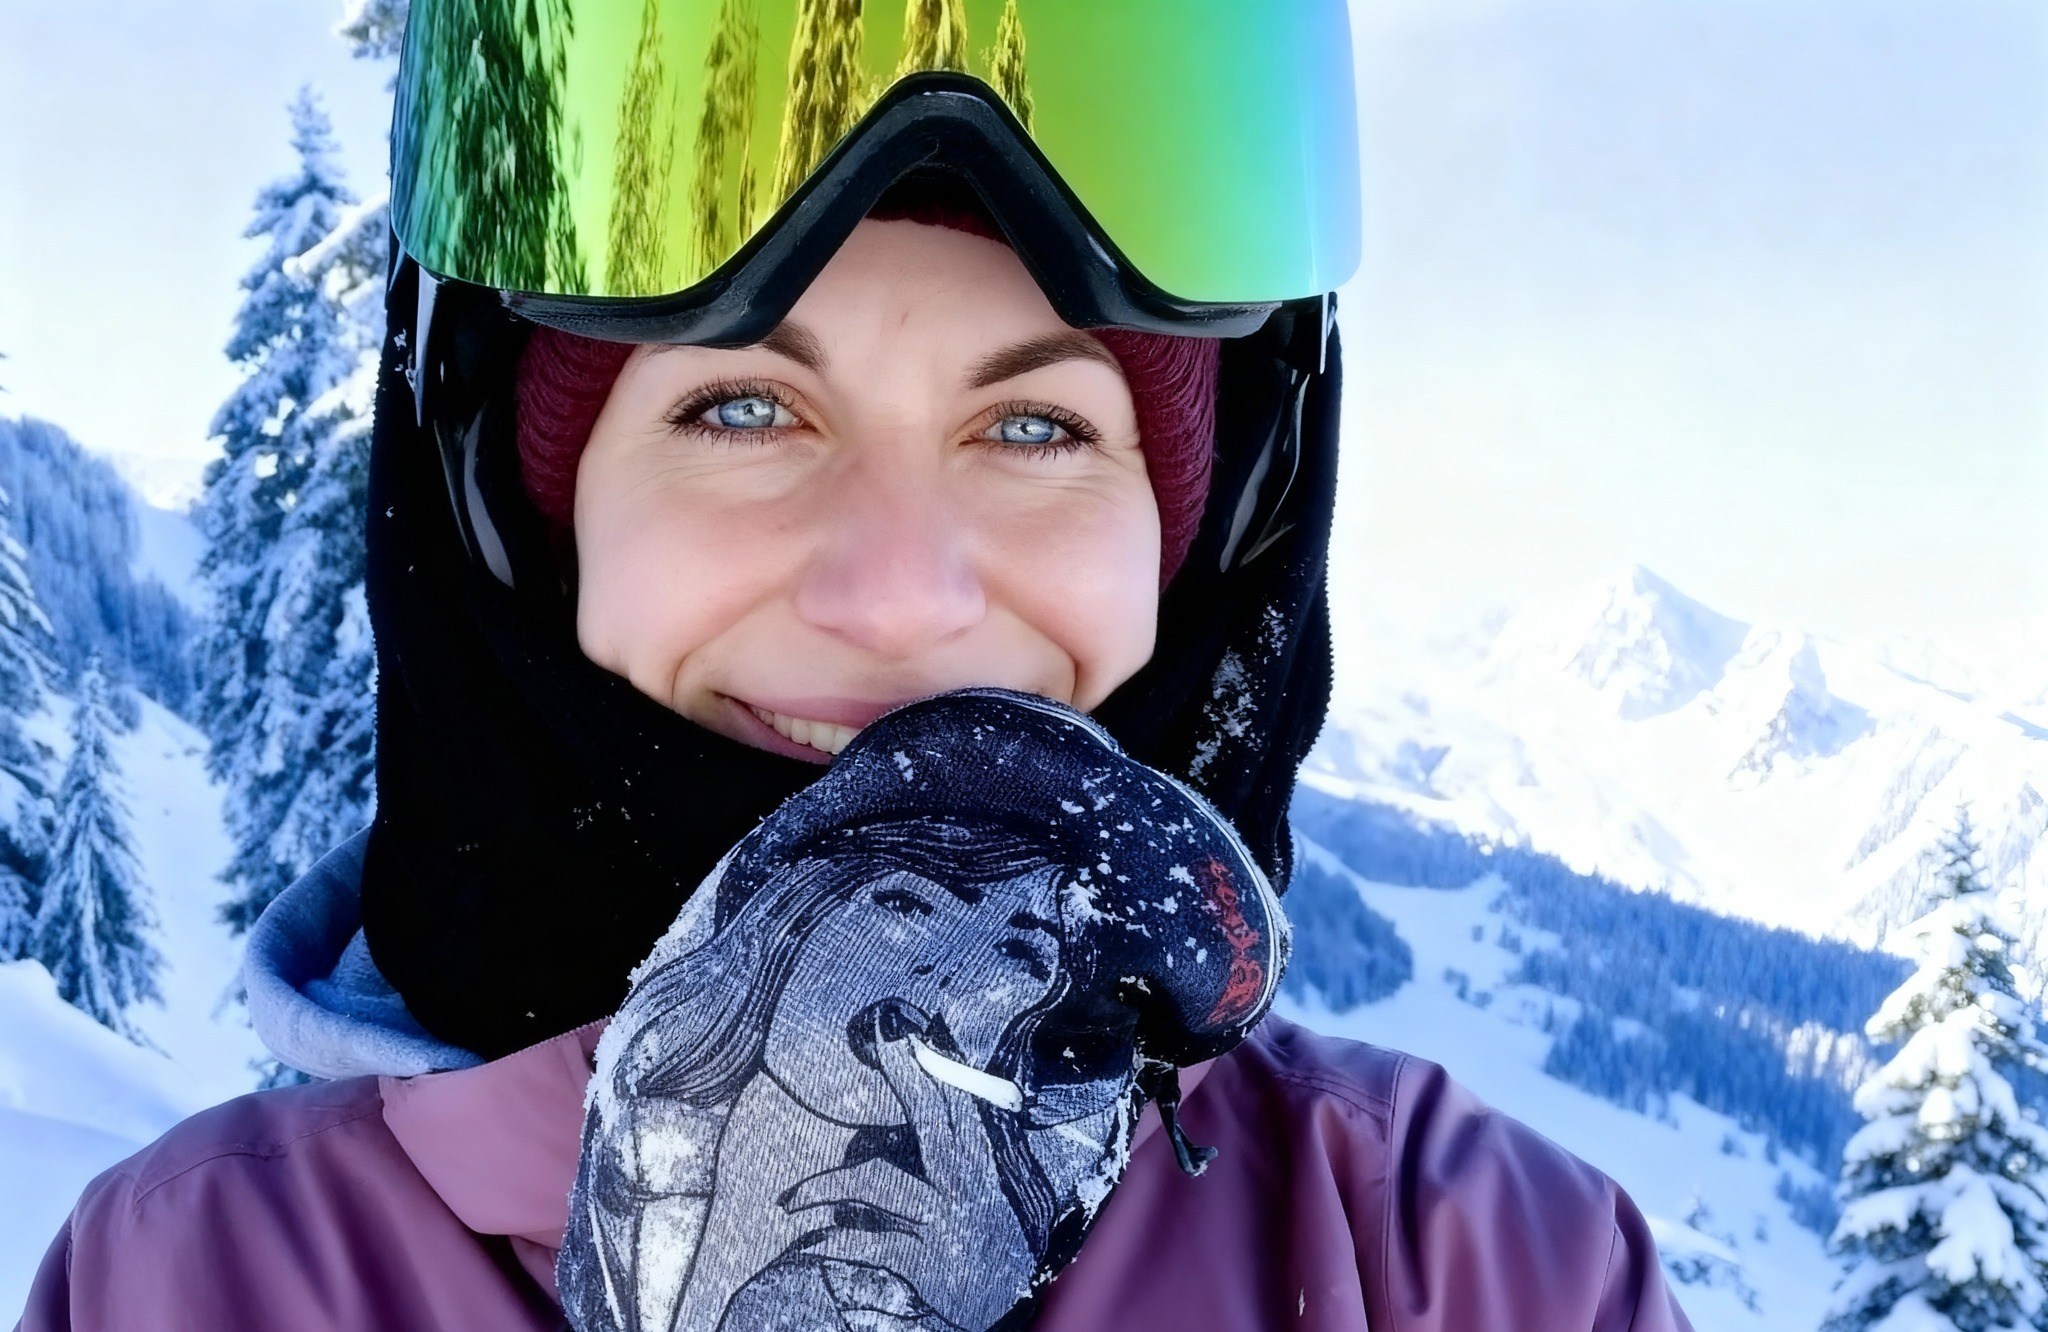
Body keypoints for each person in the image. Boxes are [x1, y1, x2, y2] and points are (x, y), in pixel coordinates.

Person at [16, 3, 1696, 1330]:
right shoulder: (185, 1293)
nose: (900, 598)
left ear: (1197, 548)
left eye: (1036, 424)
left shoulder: (1471, 1276)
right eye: (740, 407)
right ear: (534, 525)